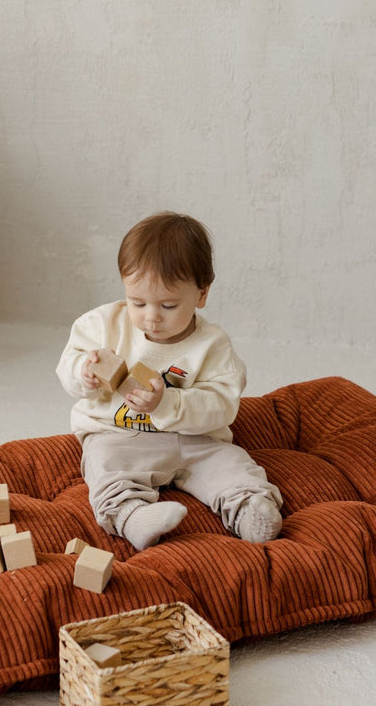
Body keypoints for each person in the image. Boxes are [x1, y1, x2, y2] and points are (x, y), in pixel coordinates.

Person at [56, 211, 283, 550]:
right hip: (120, 436)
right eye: (138, 302)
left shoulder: (212, 344)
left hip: (196, 439)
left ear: (201, 295)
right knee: (104, 466)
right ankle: (131, 515)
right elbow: (67, 366)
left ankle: (249, 508)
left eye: (168, 305)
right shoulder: (103, 325)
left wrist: (167, 403)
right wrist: (83, 373)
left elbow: (222, 405)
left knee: (233, 465)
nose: (151, 316)